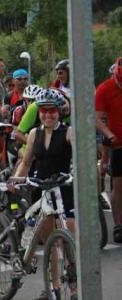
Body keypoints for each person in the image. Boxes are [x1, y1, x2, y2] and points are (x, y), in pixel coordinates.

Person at [12, 88, 74, 300]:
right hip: (42, 189)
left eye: (52, 111)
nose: (48, 115)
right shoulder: (33, 134)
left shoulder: (68, 132)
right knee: (51, 243)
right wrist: (16, 179)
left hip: (65, 189)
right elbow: (27, 162)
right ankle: (53, 287)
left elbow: (82, 159)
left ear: (60, 112)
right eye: (43, 111)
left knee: (68, 242)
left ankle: (75, 289)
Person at [95, 56, 122, 243]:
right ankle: (118, 224)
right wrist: (109, 133)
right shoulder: (104, 89)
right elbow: (96, 118)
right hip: (116, 141)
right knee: (118, 185)